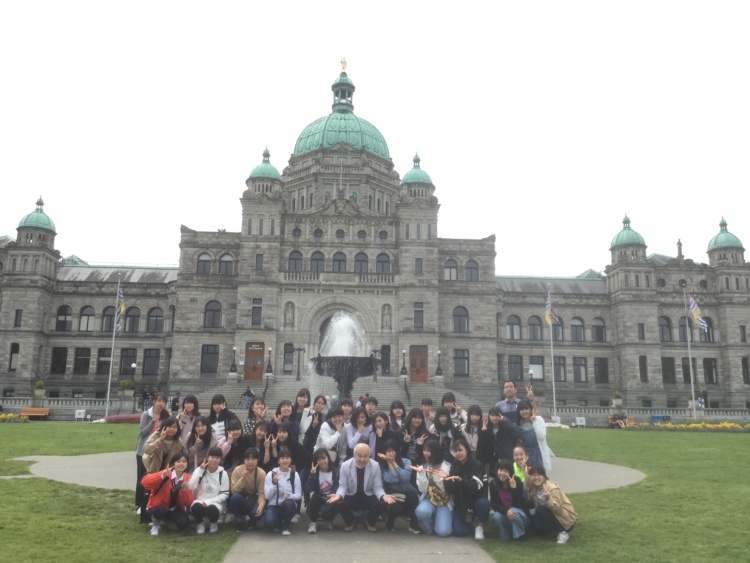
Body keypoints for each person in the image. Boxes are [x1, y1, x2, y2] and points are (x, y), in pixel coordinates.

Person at [327, 443, 396, 532]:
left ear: (369, 455)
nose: (362, 459)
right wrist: (339, 495)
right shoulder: (345, 465)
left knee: (382, 503)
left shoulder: (375, 465)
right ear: (354, 455)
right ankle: (350, 521)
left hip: (368, 494)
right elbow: (343, 486)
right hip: (351, 494)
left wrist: (383, 496)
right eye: (359, 456)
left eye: (365, 456)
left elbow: (378, 487)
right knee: (337, 502)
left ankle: (369, 521)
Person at [141, 451, 194, 536]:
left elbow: (186, 502)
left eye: (184, 461)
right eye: (178, 461)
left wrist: (184, 491)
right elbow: (144, 482)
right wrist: (161, 477)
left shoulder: (187, 478)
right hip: (157, 505)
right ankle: (155, 524)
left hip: (172, 508)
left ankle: (166, 520)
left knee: (183, 524)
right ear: (173, 463)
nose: (181, 464)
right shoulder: (166, 473)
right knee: (160, 511)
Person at [446, 439, 490, 540]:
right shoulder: (454, 465)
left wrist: (461, 481)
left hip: (476, 500)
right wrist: (446, 479)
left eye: (460, 450)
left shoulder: (477, 465)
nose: (458, 453)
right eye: (455, 451)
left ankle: (480, 525)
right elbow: (451, 489)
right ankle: (469, 522)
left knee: (484, 504)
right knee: (459, 532)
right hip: (462, 503)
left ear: (467, 450)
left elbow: (476, 486)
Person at [135, 392, 170, 510]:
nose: (161, 403)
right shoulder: (146, 415)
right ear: (154, 402)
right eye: (159, 400)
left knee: (155, 478)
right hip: (143, 451)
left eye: (163, 401)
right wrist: (153, 422)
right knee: (142, 478)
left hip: (157, 452)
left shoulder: (166, 416)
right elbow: (143, 433)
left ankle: (152, 502)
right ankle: (140, 504)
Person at [527, 466, 577, 544]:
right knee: (532, 510)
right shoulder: (535, 489)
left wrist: (548, 499)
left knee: (540, 510)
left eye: (539, 475)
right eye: (533, 475)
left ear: (544, 476)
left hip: (565, 521)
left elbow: (559, 509)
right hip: (550, 516)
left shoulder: (552, 488)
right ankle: (543, 531)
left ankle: (563, 533)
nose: (536, 477)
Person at [378, 438, 420, 533]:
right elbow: (392, 479)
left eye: (393, 450)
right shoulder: (382, 466)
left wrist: (393, 463)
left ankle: (413, 524)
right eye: (388, 451)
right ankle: (390, 522)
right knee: (395, 506)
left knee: (413, 495)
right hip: (394, 493)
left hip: (408, 492)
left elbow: (406, 478)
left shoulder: (406, 462)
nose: (391, 453)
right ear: (384, 452)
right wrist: (389, 463)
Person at [413, 439, 453, 537]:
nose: (425, 453)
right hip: (429, 498)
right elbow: (422, 489)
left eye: (428, 451)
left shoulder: (447, 467)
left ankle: (439, 520)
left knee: (443, 532)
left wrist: (437, 476)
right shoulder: (423, 466)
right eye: (424, 450)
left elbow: (446, 489)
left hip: (444, 500)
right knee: (421, 512)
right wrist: (421, 474)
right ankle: (429, 527)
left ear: (435, 452)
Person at [502, 399, 553, 475]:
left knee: (539, 476)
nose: (524, 411)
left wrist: (534, 421)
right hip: (525, 456)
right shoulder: (518, 424)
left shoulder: (538, 419)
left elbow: (541, 436)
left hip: (538, 454)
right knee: (527, 477)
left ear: (530, 410)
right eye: (522, 409)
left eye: (526, 409)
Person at [187, 447, 230, 534]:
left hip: (216, 502)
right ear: (208, 458)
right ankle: (200, 523)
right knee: (195, 508)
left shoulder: (223, 473)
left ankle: (214, 523)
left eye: (217, 458)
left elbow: (225, 494)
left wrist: (209, 501)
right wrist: (200, 471)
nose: (214, 460)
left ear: (220, 460)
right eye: (212, 457)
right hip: (200, 500)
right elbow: (191, 486)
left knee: (211, 510)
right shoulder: (200, 470)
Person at [264, 447, 302, 535]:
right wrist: (274, 483)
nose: (285, 461)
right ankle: (278, 523)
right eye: (282, 458)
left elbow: (299, 495)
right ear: (278, 461)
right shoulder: (271, 474)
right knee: (269, 523)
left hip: (288, 505)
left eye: (287, 458)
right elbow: (267, 496)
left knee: (288, 503)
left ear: (291, 460)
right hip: (273, 505)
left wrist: (290, 496)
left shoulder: (294, 474)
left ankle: (286, 526)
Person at [490, 458, 529, 541]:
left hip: (518, 512)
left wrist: (514, 489)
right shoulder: (493, 483)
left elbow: (520, 504)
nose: (502, 473)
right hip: (505, 512)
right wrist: (506, 510)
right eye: (500, 470)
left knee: (514, 512)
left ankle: (520, 535)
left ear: (510, 472)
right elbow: (494, 504)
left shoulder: (517, 481)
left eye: (505, 471)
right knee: (497, 516)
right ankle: (506, 535)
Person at [228, 447, 267, 531]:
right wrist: (243, 478)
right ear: (244, 460)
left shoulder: (261, 473)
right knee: (235, 498)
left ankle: (252, 520)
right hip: (241, 498)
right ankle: (239, 519)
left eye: (253, 459)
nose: (250, 462)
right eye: (248, 459)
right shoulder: (237, 470)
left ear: (257, 460)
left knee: (256, 513)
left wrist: (261, 505)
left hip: (253, 499)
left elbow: (261, 493)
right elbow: (234, 490)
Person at [304, 448, 340, 533]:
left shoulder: (335, 472)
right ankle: (312, 523)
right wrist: (312, 475)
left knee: (338, 502)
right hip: (319, 497)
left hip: (330, 497)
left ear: (328, 458)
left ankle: (328, 520)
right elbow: (308, 489)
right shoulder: (315, 471)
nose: (322, 461)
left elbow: (335, 488)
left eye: (323, 458)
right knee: (315, 498)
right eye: (319, 460)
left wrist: (328, 503)